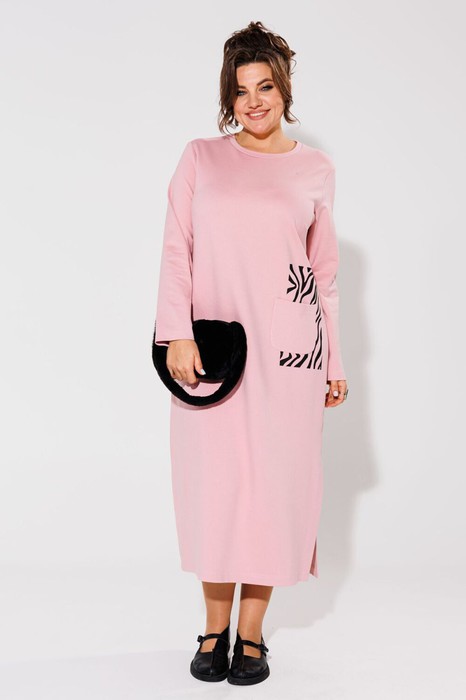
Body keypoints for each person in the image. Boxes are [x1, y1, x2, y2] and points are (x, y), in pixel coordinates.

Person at [153, 20, 349, 686]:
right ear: (227, 97)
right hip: (213, 352)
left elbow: (323, 275)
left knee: (272, 489)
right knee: (215, 487)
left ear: (284, 89)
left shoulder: (315, 170)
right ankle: (212, 628)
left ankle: (252, 633)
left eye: (265, 86)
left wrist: (335, 362)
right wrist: (175, 332)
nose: (254, 101)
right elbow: (176, 248)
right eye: (241, 90)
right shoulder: (200, 159)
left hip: (290, 358)